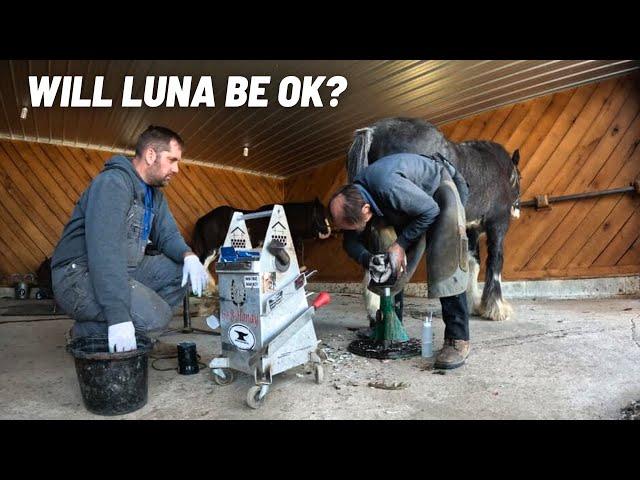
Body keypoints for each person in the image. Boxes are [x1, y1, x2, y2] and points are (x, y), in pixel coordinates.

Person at [51, 125, 209, 353]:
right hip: (77, 276)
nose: (176, 169)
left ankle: (134, 329)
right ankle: (87, 333)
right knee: (157, 317)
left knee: (180, 272)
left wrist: (189, 256)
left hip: (123, 270)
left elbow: (168, 235)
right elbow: (105, 254)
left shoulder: (154, 195)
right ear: (151, 155)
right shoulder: (113, 183)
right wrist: (118, 315)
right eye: (172, 160)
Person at [329, 152, 471, 369]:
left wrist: (401, 245)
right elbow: (350, 242)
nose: (349, 232)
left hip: (436, 192)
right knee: (383, 249)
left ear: (366, 211)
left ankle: (457, 339)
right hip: (406, 207)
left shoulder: (388, 186)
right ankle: (390, 325)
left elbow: (430, 210)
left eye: (352, 226)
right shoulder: (353, 198)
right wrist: (369, 259)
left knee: (446, 260)